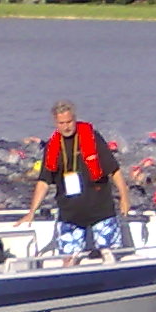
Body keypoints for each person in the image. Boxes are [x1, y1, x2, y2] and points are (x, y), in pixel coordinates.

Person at [25, 100, 131, 263]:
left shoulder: (92, 137)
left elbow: (114, 170)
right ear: (55, 123)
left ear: (75, 119)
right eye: (61, 123)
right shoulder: (52, 146)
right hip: (70, 213)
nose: (66, 127)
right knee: (67, 259)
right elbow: (44, 182)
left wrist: (124, 197)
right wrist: (32, 211)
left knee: (109, 255)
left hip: (100, 209)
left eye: (69, 122)